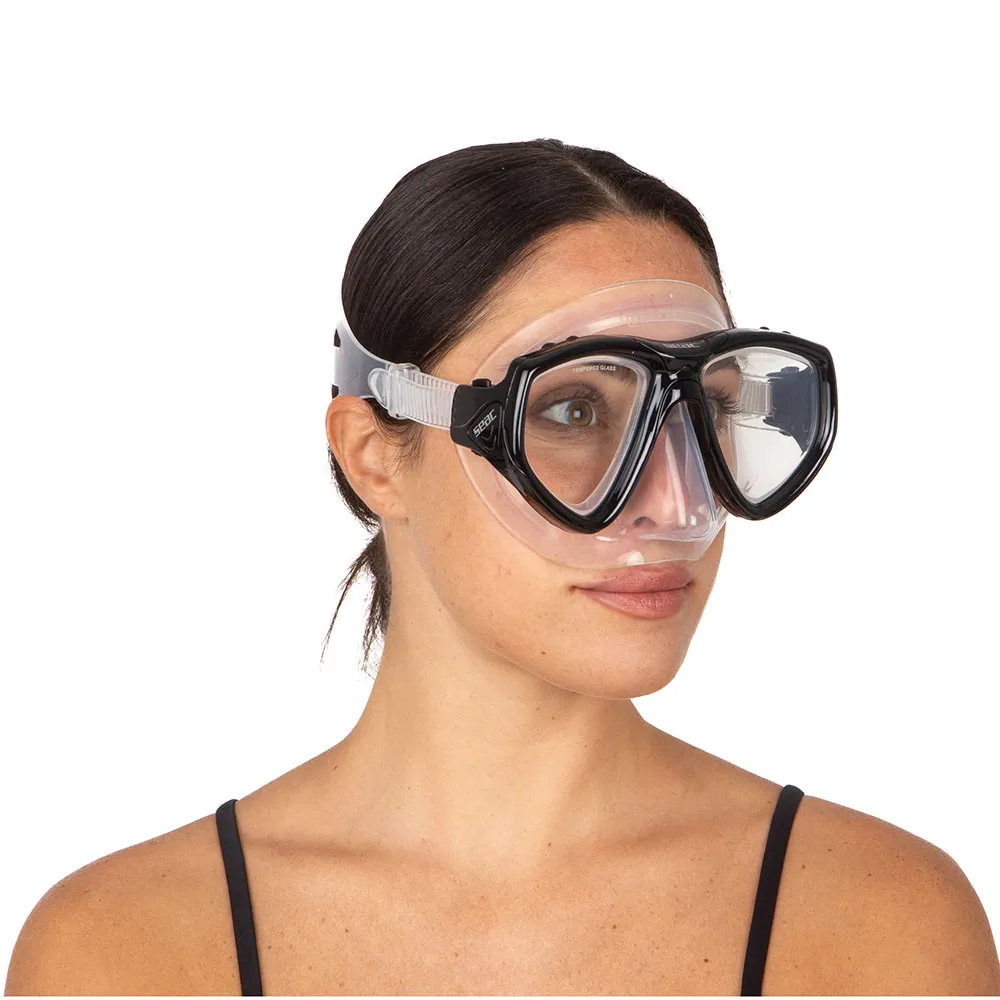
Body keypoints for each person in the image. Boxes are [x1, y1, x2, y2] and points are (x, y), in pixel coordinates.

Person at [6, 139, 999, 997]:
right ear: (375, 455)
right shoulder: (123, 953)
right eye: (573, 410)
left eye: (707, 407)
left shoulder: (882, 930)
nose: (677, 505)